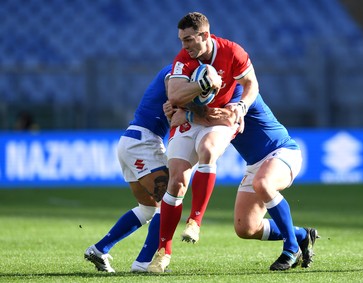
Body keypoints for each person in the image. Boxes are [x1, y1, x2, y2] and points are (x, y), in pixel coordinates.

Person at [147, 11, 260, 273]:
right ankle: (163, 253)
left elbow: (251, 83)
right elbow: (174, 94)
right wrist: (203, 84)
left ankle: (195, 221)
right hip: (188, 120)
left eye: (188, 39)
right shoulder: (183, 58)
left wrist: (241, 107)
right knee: (176, 181)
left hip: (220, 120)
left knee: (208, 150)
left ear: (205, 35)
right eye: (181, 40)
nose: (184, 46)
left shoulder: (233, 52)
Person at [166, 90, 319, 271]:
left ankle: (291, 248)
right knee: (245, 228)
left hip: (282, 152)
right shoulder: (211, 94)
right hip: (255, 164)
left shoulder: (241, 91)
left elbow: (228, 118)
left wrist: (187, 115)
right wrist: (173, 107)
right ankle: (301, 235)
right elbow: (203, 113)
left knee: (263, 184)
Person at [83, 64, 172, 273]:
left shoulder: (179, 71)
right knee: (169, 201)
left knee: (148, 208)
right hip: (144, 142)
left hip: (132, 139)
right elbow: (172, 88)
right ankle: (143, 263)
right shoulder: (178, 70)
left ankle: (99, 249)